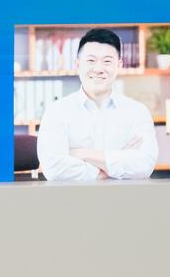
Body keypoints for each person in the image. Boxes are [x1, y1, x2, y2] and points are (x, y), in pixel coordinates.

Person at [36, 28, 159, 182]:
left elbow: (144, 164)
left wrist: (81, 153)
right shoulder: (57, 112)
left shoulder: (137, 112)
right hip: (70, 202)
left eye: (107, 61)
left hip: (124, 201)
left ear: (119, 65)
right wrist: (113, 165)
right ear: (77, 64)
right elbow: (53, 168)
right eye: (91, 61)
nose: (99, 69)